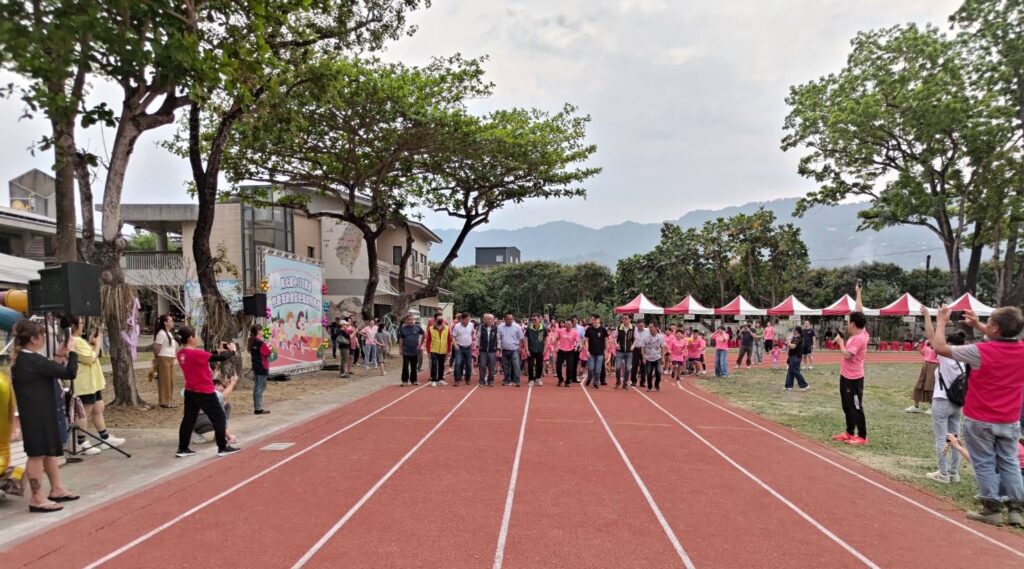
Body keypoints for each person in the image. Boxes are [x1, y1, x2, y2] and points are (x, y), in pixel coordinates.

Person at [931, 305, 1024, 526]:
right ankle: (1016, 510)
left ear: (996, 329)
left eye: (989, 323)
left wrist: (941, 321)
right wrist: (979, 325)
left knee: (984, 462)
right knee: (1010, 462)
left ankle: (991, 508)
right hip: (1010, 420)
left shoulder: (980, 351)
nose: (986, 326)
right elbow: (1004, 337)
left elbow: (940, 347)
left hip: (980, 419)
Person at [10, 319, 80, 512]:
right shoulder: (33, 360)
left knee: (49, 452)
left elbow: (50, 369)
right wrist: (72, 352)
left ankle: (56, 488)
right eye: (42, 336)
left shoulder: (27, 360)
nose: (44, 339)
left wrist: (59, 354)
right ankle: (36, 497)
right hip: (36, 415)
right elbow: (69, 372)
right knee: (36, 455)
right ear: (34, 339)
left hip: (42, 412)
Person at [174, 326, 240, 458]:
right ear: (191, 338)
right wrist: (232, 351)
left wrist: (217, 351)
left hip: (190, 391)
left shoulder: (181, 353)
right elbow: (221, 358)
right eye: (196, 335)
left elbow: (208, 356)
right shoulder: (197, 354)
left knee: (188, 420)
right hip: (204, 391)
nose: (197, 337)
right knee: (219, 417)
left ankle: (182, 448)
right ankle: (222, 447)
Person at [64, 315, 125, 454]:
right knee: (83, 412)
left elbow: (89, 353)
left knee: (98, 407)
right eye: (80, 323)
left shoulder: (79, 340)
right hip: (84, 382)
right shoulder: (74, 341)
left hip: (93, 382)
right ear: (73, 326)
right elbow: (90, 358)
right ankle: (81, 442)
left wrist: (92, 343)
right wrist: (98, 344)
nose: (82, 326)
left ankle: (105, 437)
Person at [922, 308, 964, 484]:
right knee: (955, 439)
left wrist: (928, 316)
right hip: (957, 403)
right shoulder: (965, 359)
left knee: (941, 439)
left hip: (942, 401)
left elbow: (932, 337)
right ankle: (954, 473)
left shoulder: (946, 357)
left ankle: (943, 473)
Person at [832, 283, 869, 446]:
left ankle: (862, 436)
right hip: (845, 376)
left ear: (853, 324)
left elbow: (847, 355)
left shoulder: (859, 339)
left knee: (855, 406)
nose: (847, 324)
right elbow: (859, 310)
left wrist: (840, 342)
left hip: (854, 379)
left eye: (848, 322)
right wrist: (858, 293)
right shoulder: (862, 330)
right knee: (846, 405)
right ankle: (849, 432)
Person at [193, 371, 239, 446]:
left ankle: (219, 434)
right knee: (217, 417)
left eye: (221, 385)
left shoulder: (211, 386)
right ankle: (193, 433)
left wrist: (228, 385)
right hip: (197, 419)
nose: (221, 387)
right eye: (218, 385)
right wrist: (232, 383)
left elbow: (223, 403)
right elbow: (222, 397)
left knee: (227, 406)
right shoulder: (206, 388)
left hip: (205, 417)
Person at [153, 314, 178, 408]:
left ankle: (170, 400)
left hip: (171, 358)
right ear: (165, 322)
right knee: (165, 380)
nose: (172, 322)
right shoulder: (161, 333)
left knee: (171, 380)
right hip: (163, 358)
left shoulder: (169, 333)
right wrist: (157, 359)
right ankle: (164, 402)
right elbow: (157, 347)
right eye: (170, 321)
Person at [906, 338, 938, 414]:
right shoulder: (927, 342)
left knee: (930, 386)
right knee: (919, 384)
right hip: (925, 364)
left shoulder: (939, 343)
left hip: (934, 365)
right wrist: (918, 348)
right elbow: (924, 353)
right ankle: (916, 406)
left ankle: (932, 407)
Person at [497, 312, 526, 387]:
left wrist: (520, 348)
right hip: (504, 349)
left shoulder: (517, 327)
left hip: (514, 349)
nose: (510, 320)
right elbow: (498, 338)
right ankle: (507, 380)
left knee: (516, 365)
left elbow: (521, 338)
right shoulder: (500, 327)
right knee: (506, 366)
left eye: (511, 319)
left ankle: (517, 381)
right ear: (504, 319)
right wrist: (499, 348)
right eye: (508, 319)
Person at [248, 325, 271, 415]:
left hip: (256, 366)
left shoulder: (253, 342)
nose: (263, 331)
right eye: (261, 330)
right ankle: (258, 408)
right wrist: (269, 347)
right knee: (260, 387)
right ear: (258, 331)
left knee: (257, 387)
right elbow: (268, 352)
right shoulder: (260, 343)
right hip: (262, 366)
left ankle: (257, 407)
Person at [581, 314, 609, 389]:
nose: (593, 321)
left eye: (595, 320)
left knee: (598, 370)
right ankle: (589, 378)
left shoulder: (603, 329)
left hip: (600, 353)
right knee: (590, 369)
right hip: (591, 353)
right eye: (592, 320)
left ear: (599, 320)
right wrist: (587, 351)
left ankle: (595, 382)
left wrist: (606, 351)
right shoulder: (589, 329)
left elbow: (606, 341)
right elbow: (586, 341)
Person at [398, 314, 425, 387]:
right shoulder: (403, 328)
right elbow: (401, 339)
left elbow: (424, 334)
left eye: (412, 319)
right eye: (409, 320)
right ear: (406, 320)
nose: (411, 321)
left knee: (414, 366)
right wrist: (400, 349)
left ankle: (414, 380)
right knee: (405, 366)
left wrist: (420, 344)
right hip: (406, 351)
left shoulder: (417, 327)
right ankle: (404, 381)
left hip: (415, 351)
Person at [426, 315, 451, 387]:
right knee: (434, 364)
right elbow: (428, 340)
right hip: (434, 349)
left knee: (441, 365)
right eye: (438, 319)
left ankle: (440, 379)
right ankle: (433, 380)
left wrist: (448, 351)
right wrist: (428, 351)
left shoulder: (447, 328)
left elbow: (449, 340)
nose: (440, 320)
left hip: (443, 350)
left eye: (441, 319)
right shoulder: (431, 328)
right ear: (435, 320)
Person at [451, 313, 475, 386]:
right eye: (466, 319)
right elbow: (453, 336)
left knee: (468, 364)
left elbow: (473, 331)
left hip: (468, 347)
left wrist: (473, 336)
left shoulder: (471, 325)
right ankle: (457, 379)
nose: (468, 321)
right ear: (462, 319)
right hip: (459, 347)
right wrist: (455, 345)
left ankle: (467, 379)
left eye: (469, 319)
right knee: (458, 363)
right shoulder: (457, 326)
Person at [554, 319, 580, 387]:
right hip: (561, 351)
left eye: (569, 324)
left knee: (570, 368)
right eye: (566, 324)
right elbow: (556, 339)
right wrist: (556, 346)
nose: (567, 325)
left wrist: (576, 347)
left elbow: (577, 341)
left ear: (572, 325)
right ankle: (560, 379)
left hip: (570, 352)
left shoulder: (575, 332)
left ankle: (567, 381)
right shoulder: (560, 331)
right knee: (558, 367)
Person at [641, 322, 666, 392]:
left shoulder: (660, 337)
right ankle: (649, 386)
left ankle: (657, 385)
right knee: (649, 373)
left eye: (651, 327)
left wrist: (663, 357)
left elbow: (662, 347)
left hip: (657, 357)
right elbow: (642, 347)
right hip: (648, 358)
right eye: (649, 327)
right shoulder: (646, 337)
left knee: (658, 372)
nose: (650, 329)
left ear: (656, 328)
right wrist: (643, 357)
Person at [477, 313, 499, 387]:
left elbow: (498, 339)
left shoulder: (496, 328)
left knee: (491, 367)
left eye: (491, 319)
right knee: (482, 366)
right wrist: (477, 347)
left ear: (493, 320)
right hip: (483, 350)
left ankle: (491, 381)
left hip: (492, 350)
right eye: (488, 319)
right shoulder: (481, 327)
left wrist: (498, 349)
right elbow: (478, 338)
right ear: (485, 320)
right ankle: (482, 381)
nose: (489, 320)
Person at [614, 315, 635, 389]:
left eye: (626, 318)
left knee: (628, 368)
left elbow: (636, 338)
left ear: (630, 319)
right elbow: (614, 337)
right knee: (617, 367)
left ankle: (625, 383)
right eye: (623, 318)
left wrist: (633, 345)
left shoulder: (633, 328)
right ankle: (618, 381)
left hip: (629, 351)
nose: (624, 320)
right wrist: (616, 344)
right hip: (620, 351)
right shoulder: (619, 327)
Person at [525, 314, 546, 386]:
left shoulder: (543, 328)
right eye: (532, 319)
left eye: (535, 319)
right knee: (530, 365)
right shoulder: (529, 328)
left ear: (539, 320)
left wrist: (545, 349)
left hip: (540, 349)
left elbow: (546, 339)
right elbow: (526, 339)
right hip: (531, 350)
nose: (533, 321)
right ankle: (531, 379)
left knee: (540, 365)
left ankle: (538, 378)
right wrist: (527, 350)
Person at [631, 320, 649, 387]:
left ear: (644, 325)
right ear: (636, 326)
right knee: (634, 365)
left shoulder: (647, 331)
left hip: (644, 349)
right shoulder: (634, 330)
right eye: (639, 326)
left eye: (641, 326)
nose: (640, 327)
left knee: (644, 366)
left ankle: (642, 382)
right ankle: (633, 381)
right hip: (636, 349)